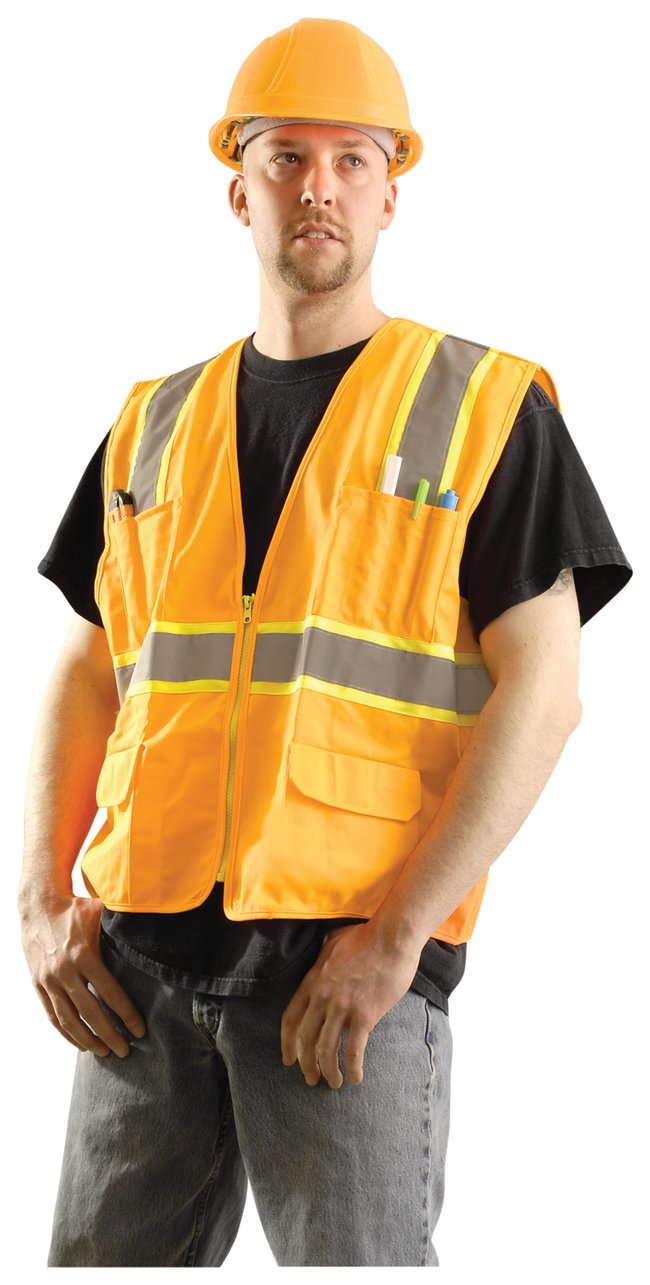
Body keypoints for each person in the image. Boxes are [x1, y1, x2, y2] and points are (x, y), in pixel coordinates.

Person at [18, 16, 632, 1269]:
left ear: (390, 193)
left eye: (351, 159)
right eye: (285, 157)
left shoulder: (483, 409)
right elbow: (87, 668)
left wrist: (397, 938)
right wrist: (37, 901)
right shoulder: (151, 422)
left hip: (342, 972)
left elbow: (544, 692)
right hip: (137, 965)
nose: (318, 187)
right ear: (234, 187)